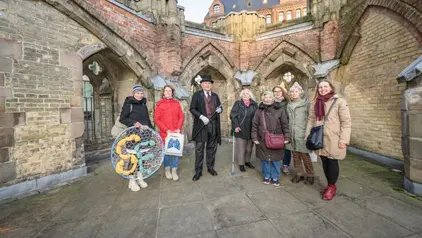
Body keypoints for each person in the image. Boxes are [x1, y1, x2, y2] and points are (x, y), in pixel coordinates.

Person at [306, 80, 351, 200]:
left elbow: (346, 122)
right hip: (319, 137)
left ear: (331, 87)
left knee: (332, 162)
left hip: (334, 138)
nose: (323, 89)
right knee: (324, 161)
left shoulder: (339, 101)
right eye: (320, 87)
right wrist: (308, 136)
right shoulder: (315, 102)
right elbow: (311, 120)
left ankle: (331, 186)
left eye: (325, 86)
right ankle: (329, 183)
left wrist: (344, 140)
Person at [251, 91, 291, 187]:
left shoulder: (280, 109)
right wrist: (254, 138)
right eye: (265, 97)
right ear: (263, 99)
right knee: (265, 159)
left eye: (270, 97)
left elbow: (285, 124)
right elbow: (254, 125)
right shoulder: (258, 111)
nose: (268, 99)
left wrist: (287, 137)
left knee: (275, 160)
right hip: (262, 139)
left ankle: (275, 177)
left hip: (276, 138)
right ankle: (267, 176)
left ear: (273, 98)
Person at [119, 84, 153, 191]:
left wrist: (152, 132)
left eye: (141, 93)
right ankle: (132, 180)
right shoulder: (129, 104)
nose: (140, 95)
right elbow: (122, 119)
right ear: (134, 94)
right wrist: (133, 123)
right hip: (133, 136)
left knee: (141, 158)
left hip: (144, 135)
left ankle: (139, 177)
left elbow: (147, 120)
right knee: (133, 158)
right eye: (138, 93)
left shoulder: (143, 104)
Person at [189, 75, 223, 181]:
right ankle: (198, 171)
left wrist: (220, 110)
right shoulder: (197, 95)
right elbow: (192, 109)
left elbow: (220, 107)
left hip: (213, 125)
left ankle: (210, 168)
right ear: (201, 85)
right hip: (201, 125)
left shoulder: (215, 96)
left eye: (209, 83)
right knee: (199, 149)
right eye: (205, 83)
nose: (207, 85)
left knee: (211, 148)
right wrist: (201, 116)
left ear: (211, 85)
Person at [285, 83, 314, 185]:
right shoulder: (289, 105)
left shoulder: (306, 104)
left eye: (296, 91)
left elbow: (311, 118)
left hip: (302, 134)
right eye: (292, 92)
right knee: (295, 156)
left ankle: (310, 175)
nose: (293, 93)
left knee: (305, 156)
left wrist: (308, 133)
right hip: (292, 134)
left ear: (300, 93)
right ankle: (299, 174)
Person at [154, 85, 184, 181]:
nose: (168, 92)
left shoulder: (176, 104)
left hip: (176, 132)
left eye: (169, 91)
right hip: (165, 133)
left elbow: (181, 117)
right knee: (167, 152)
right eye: (166, 91)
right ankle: (167, 170)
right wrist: (166, 130)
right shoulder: (159, 104)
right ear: (163, 93)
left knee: (175, 152)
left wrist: (178, 128)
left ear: (172, 93)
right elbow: (157, 119)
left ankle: (174, 170)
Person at [229, 88, 258, 172]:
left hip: (251, 130)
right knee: (241, 149)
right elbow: (233, 115)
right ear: (241, 95)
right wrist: (236, 126)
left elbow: (258, 116)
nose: (245, 95)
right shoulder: (238, 104)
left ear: (250, 95)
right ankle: (241, 164)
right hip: (240, 129)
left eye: (247, 94)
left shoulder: (255, 105)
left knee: (249, 149)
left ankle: (247, 161)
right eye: (244, 94)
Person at [273, 86, 292, 175]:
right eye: (275, 91)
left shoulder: (287, 103)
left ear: (282, 92)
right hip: (274, 128)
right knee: (274, 145)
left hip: (285, 127)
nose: (277, 93)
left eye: (279, 91)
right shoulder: (270, 103)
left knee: (287, 148)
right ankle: (274, 163)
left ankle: (285, 165)